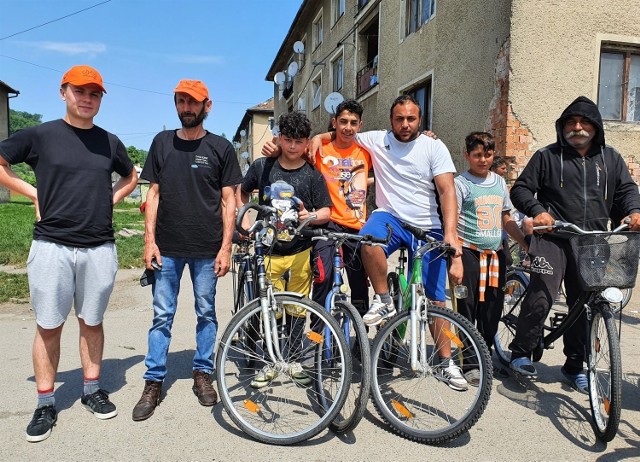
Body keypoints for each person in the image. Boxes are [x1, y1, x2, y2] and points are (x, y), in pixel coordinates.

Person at [0, 65, 138, 442]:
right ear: (63, 92)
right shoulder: (41, 135)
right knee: (49, 325)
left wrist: (111, 199)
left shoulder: (110, 142)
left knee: (91, 321)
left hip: (99, 247)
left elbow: (132, 176)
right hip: (51, 245)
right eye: (80, 91)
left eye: (94, 93)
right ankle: (45, 402)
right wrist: (32, 193)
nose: (87, 99)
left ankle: (92, 389)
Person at [309, 94, 466, 390]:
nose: (405, 124)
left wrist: (450, 233)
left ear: (420, 120)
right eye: (399, 119)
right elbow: (345, 131)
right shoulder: (377, 140)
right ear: (390, 120)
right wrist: (321, 135)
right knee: (368, 240)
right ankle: (384, 301)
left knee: (435, 299)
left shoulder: (434, 146)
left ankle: (446, 362)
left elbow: (447, 192)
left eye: (411, 119)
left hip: (428, 225)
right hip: (391, 217)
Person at [508, 96, 640, 392]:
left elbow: (626, 191)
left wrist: (634, 211)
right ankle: (519, 354)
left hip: (592, 241)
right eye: (570, 122)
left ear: (595, 127)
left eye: (583, 122)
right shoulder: (547, 156)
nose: (577, 127)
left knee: (586, 306)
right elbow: (522, 190)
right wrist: (537, 210)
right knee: (542, 295)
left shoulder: (611, 159)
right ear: (562, 127)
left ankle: (574, 366)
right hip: (552, 238)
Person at [132, 80, 242, 421]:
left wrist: (226, 248)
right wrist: (149, 241)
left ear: (207, 105)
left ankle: (202, 373)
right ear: (176, 104)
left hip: (207, 249)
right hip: (167, 248)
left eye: (192, 102)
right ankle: (153, 382)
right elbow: (153, 195)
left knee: (206, 313)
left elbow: (229, 203)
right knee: (162, 315)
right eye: (181, 101)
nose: (186, 108)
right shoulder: (162, 143)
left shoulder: (221, 148)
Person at [239, 111, 332, 388]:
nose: (292, 146)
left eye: (299, 141)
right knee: (270, 309)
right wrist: (245, 220)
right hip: (268, 252)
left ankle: (291, 360)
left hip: (301, 251)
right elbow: (242, 192)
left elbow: (326, 210)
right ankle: (270, 362)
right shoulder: (262, 167)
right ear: (279, 138)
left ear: (307, 143)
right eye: (288, 140)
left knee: (296, 310)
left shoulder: (313, 174)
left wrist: (310, 216)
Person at [262, 99, 372, 317]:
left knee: (359, 284)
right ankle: (317, 338)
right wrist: (275, 148)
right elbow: (291, 148)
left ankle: (360, 343)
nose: (347, 127)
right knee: (323, 278)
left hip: (357, 226)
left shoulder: (367, 152)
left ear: (360, 125)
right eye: (343, 122)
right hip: (327, 224)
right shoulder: (317, 149)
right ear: (334, 123)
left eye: (353, 122)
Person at [454, 133, 527, 385]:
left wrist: (525, 242)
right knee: (467, 308)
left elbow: (506, 217)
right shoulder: (460, 183)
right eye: (477, 155)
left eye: (487, 154)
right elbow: (451, 220)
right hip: (468, 253)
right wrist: (455, 255)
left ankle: (485, 356)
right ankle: (470, 363)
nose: (482, 160)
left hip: (496, 256)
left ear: (493, 154)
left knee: (492, 310)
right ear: (467, 155)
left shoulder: (498, 182)